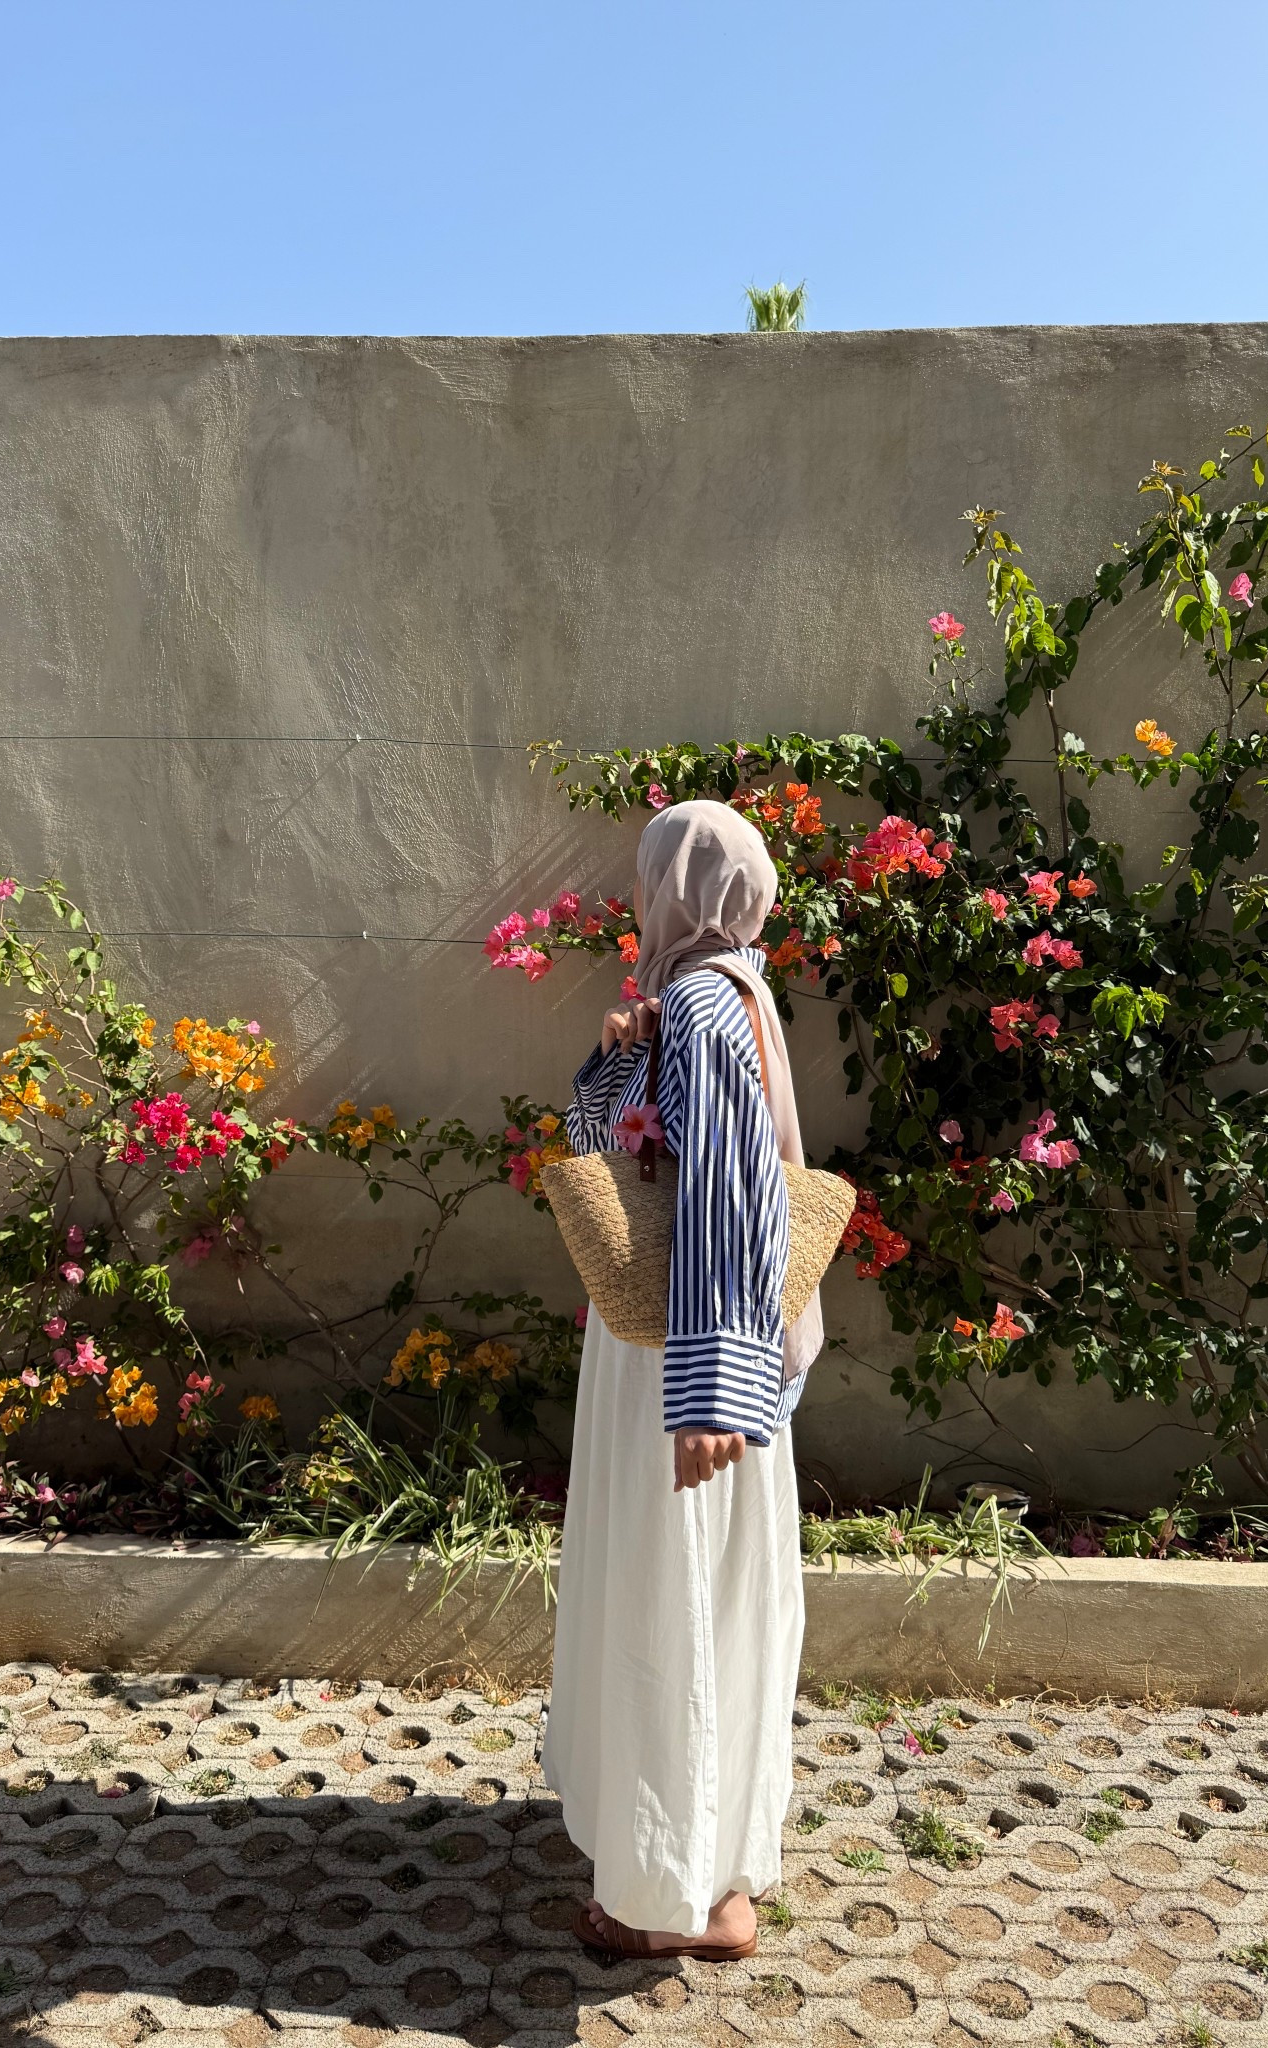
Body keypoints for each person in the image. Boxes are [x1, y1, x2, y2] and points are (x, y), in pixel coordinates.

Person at [540, 798, 825, 1961]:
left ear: (679, 888)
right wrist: (619, 1054)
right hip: (703, 1346)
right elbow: (600, 1141)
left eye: (649, 874)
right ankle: (712, 1874)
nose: (636, 894)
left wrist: (709, 1395)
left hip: (681, 1354)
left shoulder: (705, 1002)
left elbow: (728, 1193)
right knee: (711, 1599)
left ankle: (671, 1900)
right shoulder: (719, 991)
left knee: (673, 1598)